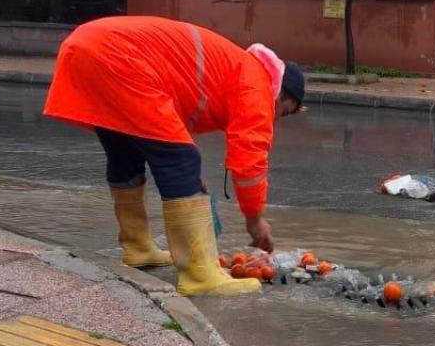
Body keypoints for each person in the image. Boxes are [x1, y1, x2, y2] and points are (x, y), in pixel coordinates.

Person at [43, 15, 305, 297]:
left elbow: (167, 123)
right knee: (182, 160)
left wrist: (190, 180)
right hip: (120, 56)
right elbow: (250, 160)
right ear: (280, 94)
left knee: (126, 152)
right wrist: (254, 220)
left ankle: (138, 247)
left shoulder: (236, 69)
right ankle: (199, 275)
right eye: (285, 111)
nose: (276, 117)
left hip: (87, 44)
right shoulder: (258, 86)